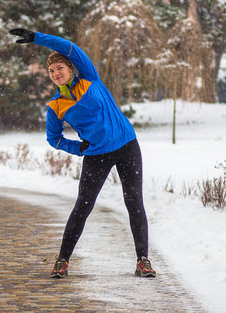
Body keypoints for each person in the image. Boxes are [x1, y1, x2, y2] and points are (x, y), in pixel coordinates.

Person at [9, 28, 156, 278]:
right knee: (82, 207)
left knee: (134, 203)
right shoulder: (56, 106)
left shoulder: (90, 77)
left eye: (60, 69)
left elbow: (69, 47)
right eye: (52, 71)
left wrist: (36, 38)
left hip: (127, 146)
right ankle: (62, 261)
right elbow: (53, 138)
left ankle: (143, 260)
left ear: (70, 69)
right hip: (96, 155)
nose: (56, 74)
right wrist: (76, 148)